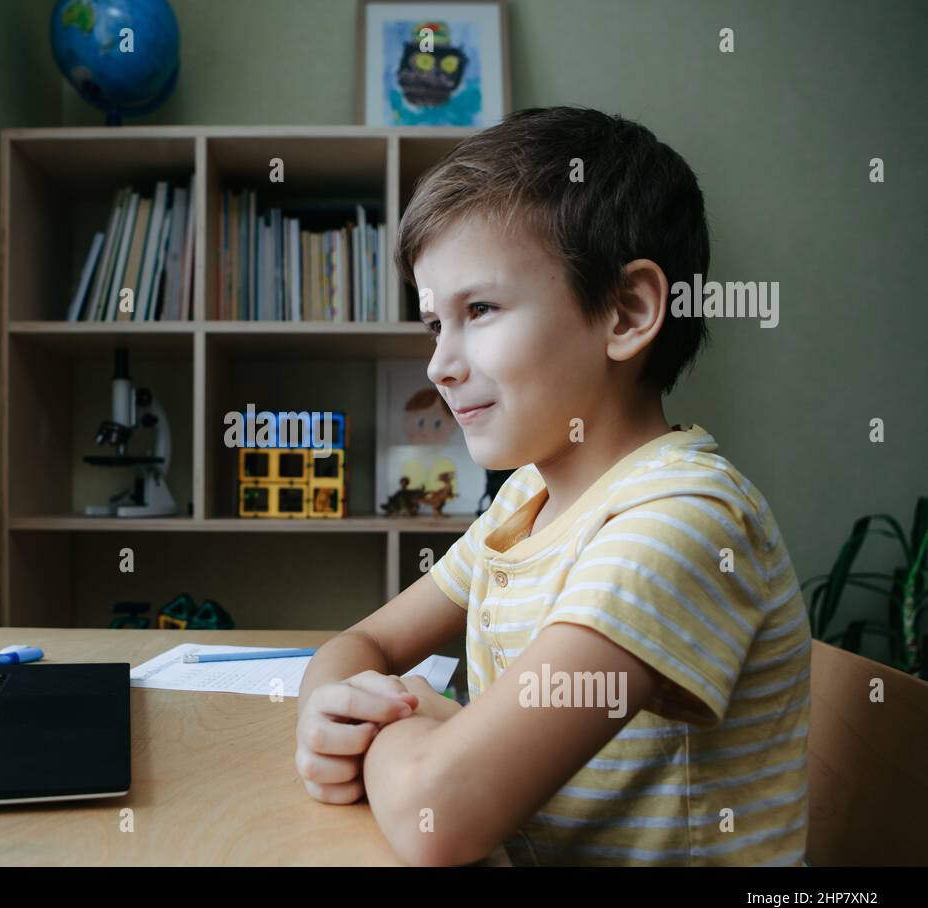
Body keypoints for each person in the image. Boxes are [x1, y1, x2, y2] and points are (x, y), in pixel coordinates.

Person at [295, 107, 810, 866]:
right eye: (434, 322)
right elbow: (364, 642)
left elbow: (442, 812)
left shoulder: (680, 524)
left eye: (479, 309)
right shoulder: (525, 500)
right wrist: (329, 713)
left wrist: (395, 724)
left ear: (627, 311)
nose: (439, 362)